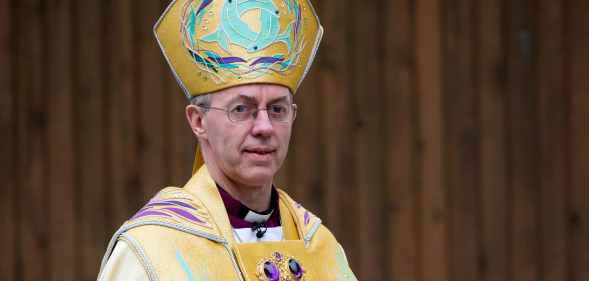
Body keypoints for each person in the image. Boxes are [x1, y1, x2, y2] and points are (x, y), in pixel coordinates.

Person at [97, 0, 357, 280]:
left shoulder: (320, 247)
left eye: (277, 109)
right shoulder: (152, 249)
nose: (264, 127)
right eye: (241, 109)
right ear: (198, 121)